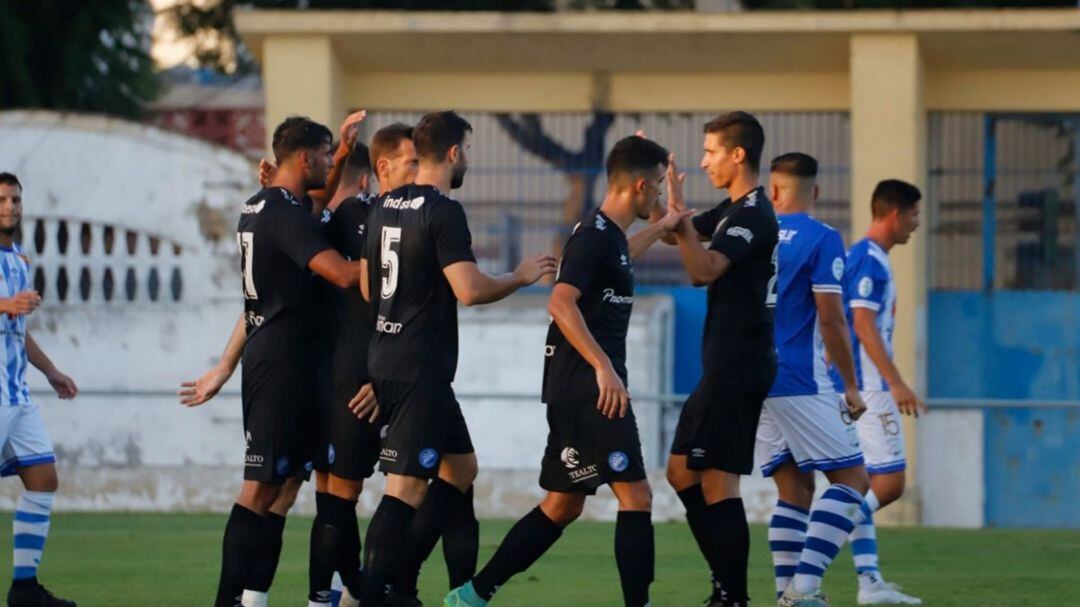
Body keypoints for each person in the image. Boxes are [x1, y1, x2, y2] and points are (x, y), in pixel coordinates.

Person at [444, 136, 690, 607]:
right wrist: (604, 369)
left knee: (561, 505)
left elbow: (619, 256)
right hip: (590, 390)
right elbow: (560, 302)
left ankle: (473, 594)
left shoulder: (607, 237)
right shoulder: (595, 235)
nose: (659, 196)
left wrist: (664, 228)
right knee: (636, 497)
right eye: (657, 187)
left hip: (575, 389)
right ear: (639, 185)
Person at [357, 110, 557, 607]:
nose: (466, 158)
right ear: (451, 153)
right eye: (465, 149)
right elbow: (468, 290)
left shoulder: (381, 206)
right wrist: (518, 275)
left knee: (461, 469)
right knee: (404, 488)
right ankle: (372, 594)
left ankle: (400, 581)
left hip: (392, 359)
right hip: (418, 370)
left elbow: (367, 287)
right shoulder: (443, 211)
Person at [211, 116, 363, 607]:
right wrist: (403, 258)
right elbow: (339, 273)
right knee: (259, 488)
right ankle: (226, 602)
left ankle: (253, 601)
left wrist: (341, 153)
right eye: (322, 156)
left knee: (283, 490)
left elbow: (315, 201)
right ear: (303, 159)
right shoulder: (282, 213)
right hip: (279, 365)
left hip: (295, 364)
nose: (327, 165)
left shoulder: (272, 204)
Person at [662, 111, 779, 607]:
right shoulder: (733, 208)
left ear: (737, 154)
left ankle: (732, 595)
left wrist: (683, 221)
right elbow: (676, 232)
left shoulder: (753, 213)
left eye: (711, 152)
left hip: (739, 365)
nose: (704, 160)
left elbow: (703, 269)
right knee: (680, 472)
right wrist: (668, 205)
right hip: (724, 365)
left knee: (716, 480)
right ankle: (727, 586)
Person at [753, 153, 870, 607]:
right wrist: (852, 385)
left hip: (752, 374)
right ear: (815, 191)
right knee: (852, 479)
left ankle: (785, 593)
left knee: (795, 488)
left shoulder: (752, 231)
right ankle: (804, 589)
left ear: (774, 189)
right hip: (798, 374)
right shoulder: (823, 237)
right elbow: (832, 319)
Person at [837, 179, 925, 606]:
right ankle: (822, 543)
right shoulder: (868, 259)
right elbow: (863, 324)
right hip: (870, 388)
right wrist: (895, 381)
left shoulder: (868, 257)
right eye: (914, 214)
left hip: (859, 386)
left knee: (865, 483)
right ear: (896, 214)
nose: (917, 223)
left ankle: (869, 583)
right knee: (889, 484)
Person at [0, 172, 79, 607]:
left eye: (14, 199)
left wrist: (51, 370)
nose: (10, 207)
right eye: (2, 200)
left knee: (44, 478)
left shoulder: (18, 260)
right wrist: (7, 305)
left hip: (17, 395)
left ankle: (24, 587)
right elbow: (9, 311)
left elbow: (19, 331)